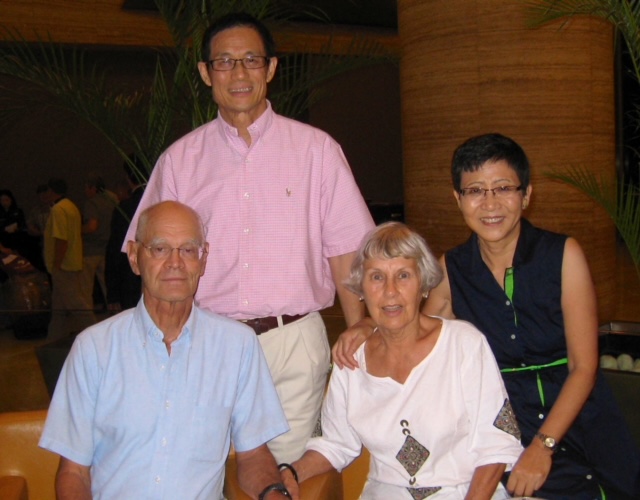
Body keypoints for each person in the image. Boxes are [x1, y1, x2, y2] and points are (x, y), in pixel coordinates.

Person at [123, 12, 375, 462]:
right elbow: (147, 254)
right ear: (206, 73)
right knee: (198, 469)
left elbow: (346, 248)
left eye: (250, 60)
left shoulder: (317, 150)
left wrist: (358, 323)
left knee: (286, 474)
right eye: (224, 62)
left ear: (271, 68)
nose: (238, 73)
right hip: (204, 338)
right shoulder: (180, 160)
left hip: (292, 341)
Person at [333, 134, 640, 499]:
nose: (490, 203)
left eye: (503, 188)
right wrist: (367, 324)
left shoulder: (561, 255)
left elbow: (584, 366)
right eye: (475, 190)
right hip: (507, 429)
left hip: (577, 417)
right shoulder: (453, 269)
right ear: (458, 199)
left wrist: (543, 446)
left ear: (526, 195)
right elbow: (408, 321)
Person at [40, 201, 293, 500]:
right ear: (134, 257)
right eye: (160, 249)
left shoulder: (237, 346)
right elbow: (73, 473)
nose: (176, 262)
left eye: (188, 250)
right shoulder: (94, 349)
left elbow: (253, 456)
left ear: (203, 260)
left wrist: (274, 493)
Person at [281, 222, 523, 499]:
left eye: (404, 275)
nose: (390, 291)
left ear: (423, 284)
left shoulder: (463, 344)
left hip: (465, 491)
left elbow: (495, 445)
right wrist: (289, 472)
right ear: (361, 288)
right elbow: (335, 444)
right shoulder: (351, 358)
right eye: (376, 277)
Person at [43, 177, 95, 340]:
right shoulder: (71, 206)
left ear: (51, 191)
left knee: (77, 304)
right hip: (72, 261)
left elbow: (61, 239)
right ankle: (53, 340)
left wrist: (56, 264)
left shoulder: (58, 209)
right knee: (58, 309)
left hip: (63, 265)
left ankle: (98, 335)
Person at [105, 155, 146, 312]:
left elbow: (116, 250)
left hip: (130, 281)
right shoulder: (165, 202)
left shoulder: (125, 207)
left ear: (128, 178)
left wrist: (113, 292)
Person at [81, 173, 118, 311]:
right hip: (109, 248)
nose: (85, 191)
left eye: (86, 188)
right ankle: (115, 314)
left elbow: (92, 226)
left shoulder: (92, 203)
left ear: (93, 188)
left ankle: (86, 319)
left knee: (85, 288)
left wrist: (76, 230)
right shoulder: (113, 198)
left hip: (91, 250)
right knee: (108, 285)